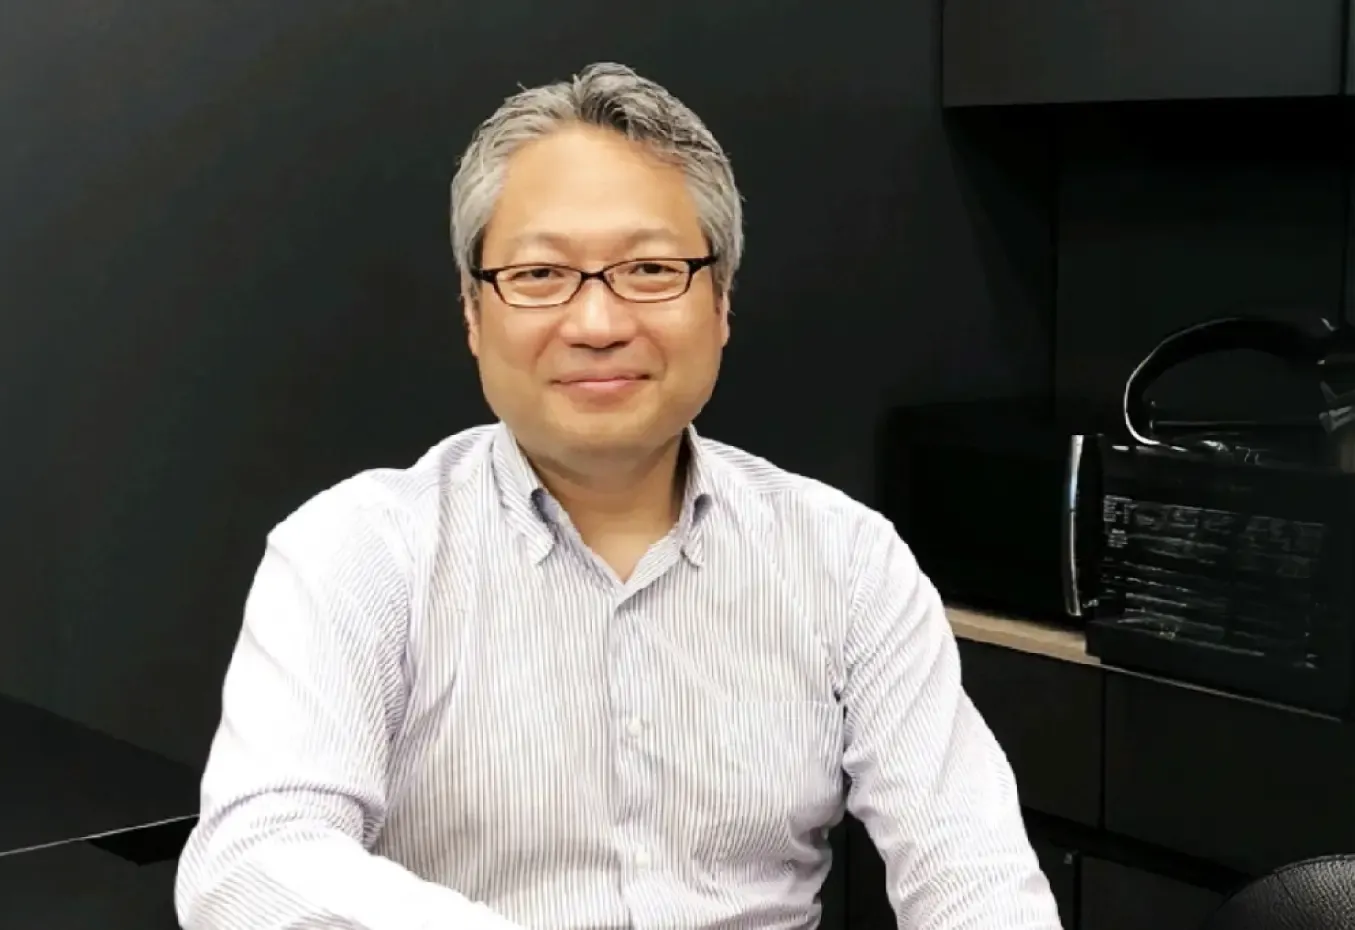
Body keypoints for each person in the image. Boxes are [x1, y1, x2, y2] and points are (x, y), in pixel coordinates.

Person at [174, 62, 1062, 930]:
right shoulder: (358, 552)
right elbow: (253, 863)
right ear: (473, 313)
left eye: (650, 270)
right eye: (539, 275)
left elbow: (972, 875)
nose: (597, 323)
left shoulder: (845, 560)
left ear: (720, 302)